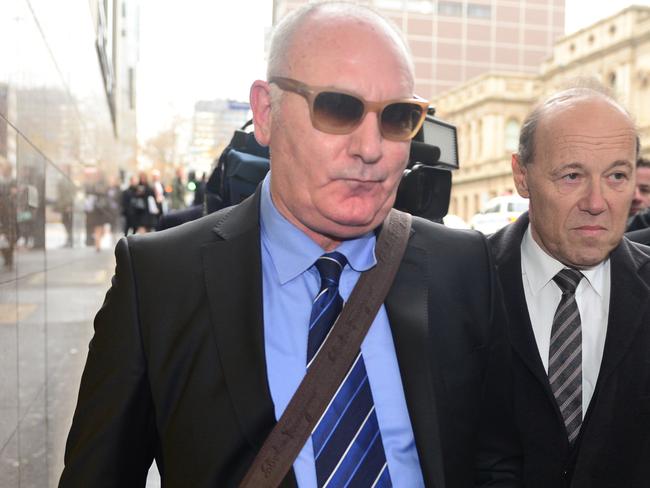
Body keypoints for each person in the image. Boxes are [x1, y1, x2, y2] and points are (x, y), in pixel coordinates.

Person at [60, 3, 520, 486]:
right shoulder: (158, 282)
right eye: (338, 108)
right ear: (265, 112)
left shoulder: (463, 266)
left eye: (398, 117)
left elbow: (496, 461)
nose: (370, 147)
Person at [488, 84, 650, 487]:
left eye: (616, 176)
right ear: (521, 176)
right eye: (572, 175)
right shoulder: (460, 283)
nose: (597, 202)